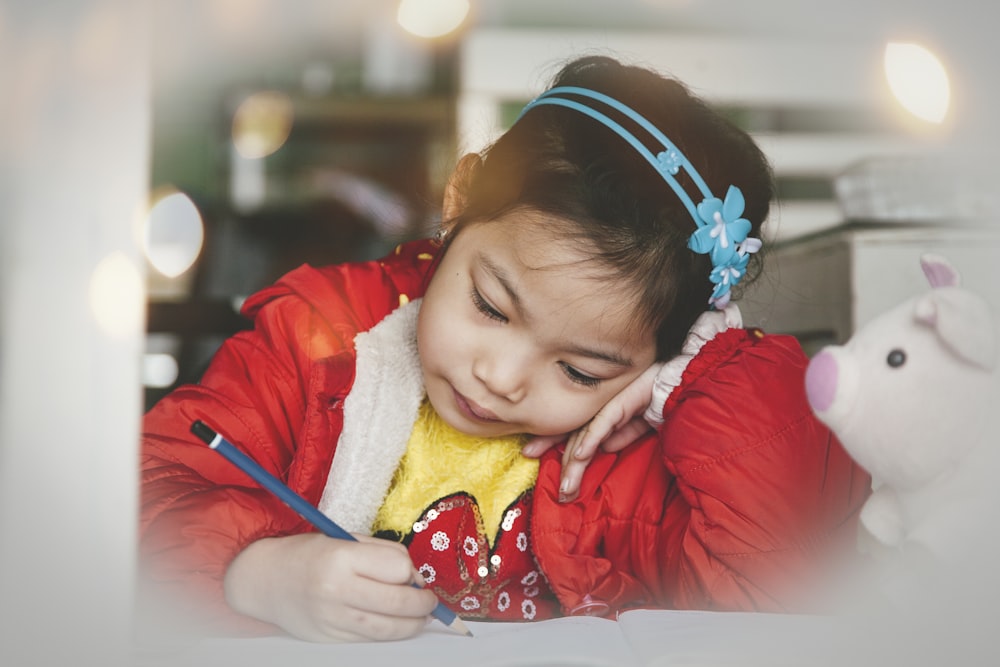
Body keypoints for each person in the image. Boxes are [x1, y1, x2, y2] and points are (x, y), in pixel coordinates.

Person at [138, 55, 870, 643]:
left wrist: (712, 366)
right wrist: (256, 574)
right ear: (460, 199)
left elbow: (777, 590)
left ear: (655, 359)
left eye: (581, 369)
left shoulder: (641, 439)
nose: (501, 376)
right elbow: (141, 496)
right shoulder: (319, 338)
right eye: (490, 306)